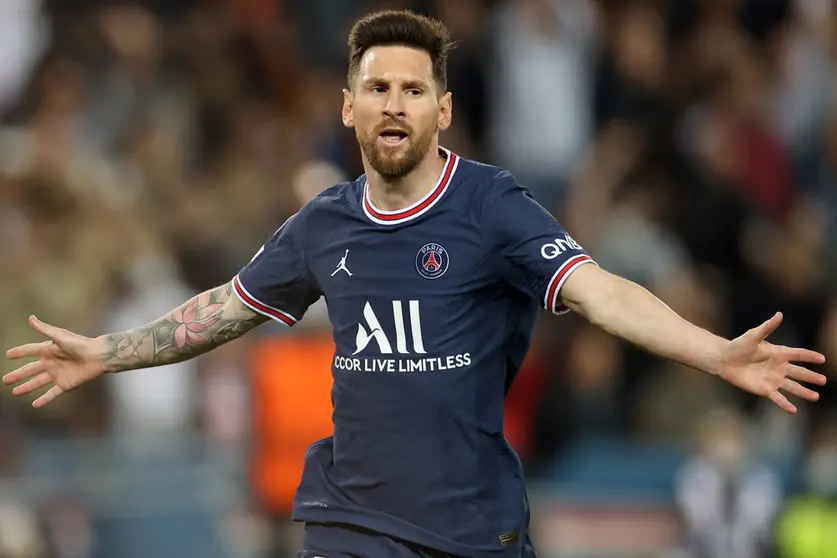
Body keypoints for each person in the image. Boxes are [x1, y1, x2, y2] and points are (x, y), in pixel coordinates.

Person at [3, 10, 828, 558]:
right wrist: (104, 354)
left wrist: (715, 353)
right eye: (376, 88)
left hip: (474, 529)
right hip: (349, 524)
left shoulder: (492, 205)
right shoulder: (322, 224)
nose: (393, 104)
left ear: (442, 109)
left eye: (412, 89)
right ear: (346, 108)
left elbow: (601, 293)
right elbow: (223, 308)